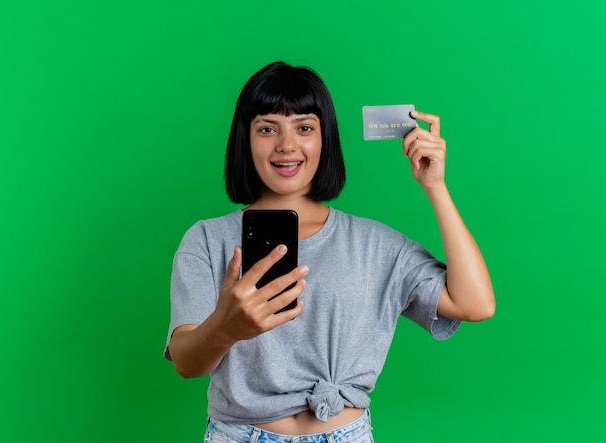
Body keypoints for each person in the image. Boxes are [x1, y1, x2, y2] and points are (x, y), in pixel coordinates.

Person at [164, 61, 495, 442]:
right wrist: (226, 329)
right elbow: (186, 363)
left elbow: (475, 304)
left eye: (304, 128)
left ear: (326, 139)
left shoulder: (375, 243)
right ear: (245, 139)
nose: (286, 145)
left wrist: (435, 187)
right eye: (267, 129)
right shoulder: (207, 240)